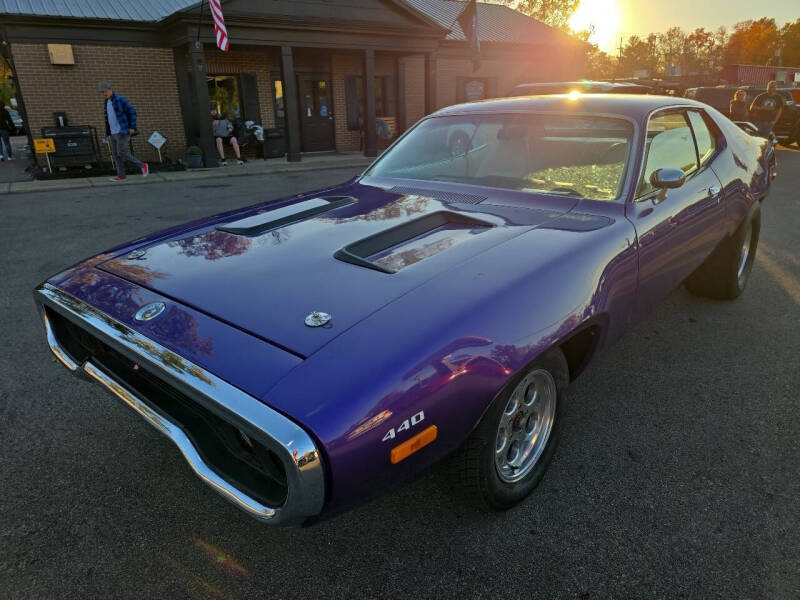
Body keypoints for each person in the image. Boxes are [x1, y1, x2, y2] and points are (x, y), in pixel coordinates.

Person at [100, 82, 148, 182]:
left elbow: (132, 111)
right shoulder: (106, 102)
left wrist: (132, 127)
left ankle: (142, 165)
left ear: (110, 89)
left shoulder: (119, 99)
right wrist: (108, 134)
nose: (104, 94)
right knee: (116, 155)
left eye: (105, 91)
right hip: (113, 133)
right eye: (102, 92)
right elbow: (108, 119)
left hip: (122, 130)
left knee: (121, 151)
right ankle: (121, 176)